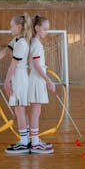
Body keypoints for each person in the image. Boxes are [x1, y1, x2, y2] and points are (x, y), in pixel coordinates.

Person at [0, 13, 32, 154]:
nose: (9, 29)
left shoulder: (22, 43)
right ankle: (26, 139)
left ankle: (24, 142)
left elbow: (13, 65)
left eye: (11, 26)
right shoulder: (17, 40)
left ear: (19, 27)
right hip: (19, 77)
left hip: (19, 77)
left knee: (19, 110)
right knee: (20, 109)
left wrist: (7, 81)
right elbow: (6, 51)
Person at [28, 15, 56, 154]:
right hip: (36, 81)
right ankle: (34, 143)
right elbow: (36, 65)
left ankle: (35, 140)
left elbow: (38, 64)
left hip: (37, 79)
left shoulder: (35, 42)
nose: (47, 32)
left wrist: (44, 67)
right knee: (35, 111)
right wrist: (48, 80)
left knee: (36, 111)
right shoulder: (36, 43)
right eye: (45, 29)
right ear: (37, 28)